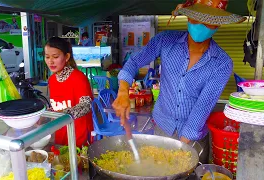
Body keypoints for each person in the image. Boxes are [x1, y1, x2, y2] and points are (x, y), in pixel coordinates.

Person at [112, 0, 246, 163]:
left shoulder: (222, 63)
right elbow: (134, 62)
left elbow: (202, 107)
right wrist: (123, 90)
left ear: (218, 25)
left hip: (194, 139)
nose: (200, 25)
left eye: (209, 21)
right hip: (162, 128)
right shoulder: (165, 40)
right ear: (188, 17)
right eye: (196, 18)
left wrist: (180, 148)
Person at [45, 37, 94, 147]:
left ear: (66, 57)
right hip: (61, 133)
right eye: (47, 57)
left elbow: (87, 105)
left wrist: (64, 113)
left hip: (79, 136)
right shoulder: (52, 80)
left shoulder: (78, 78)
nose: (50, 61)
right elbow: (57, 105)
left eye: (55, 57)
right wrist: (43, 115)